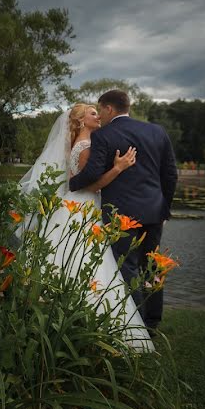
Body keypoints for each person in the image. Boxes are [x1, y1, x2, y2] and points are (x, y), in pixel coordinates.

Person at [17, 102, 153, 351]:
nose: (98, 116)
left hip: (74, 206)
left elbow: (73, 182)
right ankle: (94, 330)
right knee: (91, 263)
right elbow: (89, 185)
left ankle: (60, 319)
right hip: (82, 207)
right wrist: (118, 168)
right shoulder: (86, 146)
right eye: (92, 113)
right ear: (80, 121)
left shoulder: (77, 144)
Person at [68, 90, 178, 335]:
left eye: (100, 110)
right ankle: (152, 323)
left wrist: (71, 185)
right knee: (152, 266)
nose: (101, 116)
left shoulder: (105, 135)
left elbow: (92, 174)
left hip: (122, 215)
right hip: (153, 212)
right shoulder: (157, 131)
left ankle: (135, 323)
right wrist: (164, 209)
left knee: (127, 266)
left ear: (108, 109)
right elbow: (170, 175)